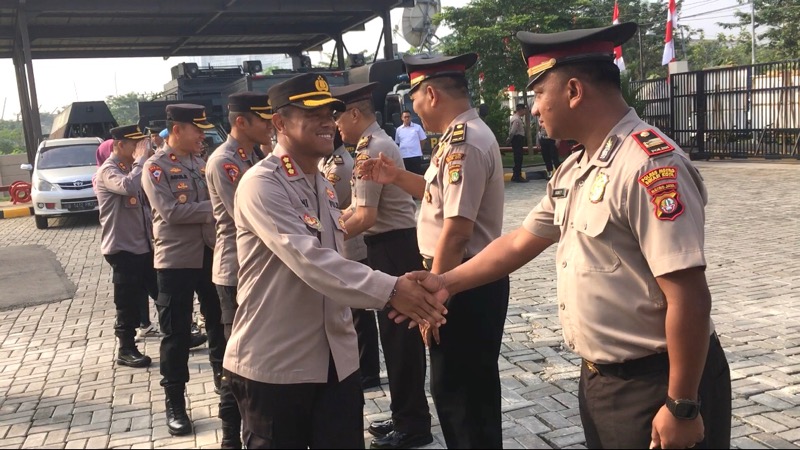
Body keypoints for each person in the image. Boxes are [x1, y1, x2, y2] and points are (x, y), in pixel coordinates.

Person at [404, 22, 732, 450]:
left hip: (658, 381)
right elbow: (521, 241)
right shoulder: (576, 168)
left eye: (539, 94)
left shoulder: (649, 166)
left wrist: (683, 404)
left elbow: (689, 296)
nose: (535, 108)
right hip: (601, 380)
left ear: (574, 91)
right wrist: (445, 282)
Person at [222, 72, 448, 449]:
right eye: (313, 114)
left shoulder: (323, 184)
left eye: (331, 113)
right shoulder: (262, 183)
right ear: (279, 122)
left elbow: (335, 253)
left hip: (336, 363)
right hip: (278, 363)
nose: (328, 121)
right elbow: (309, 260)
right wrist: (390, 288)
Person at [360, 52, 509, 449]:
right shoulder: (458, 138)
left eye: (413, 99)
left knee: (460, 391)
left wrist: (434, 296)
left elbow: (457, 231)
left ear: (430, 94)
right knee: (459, 388)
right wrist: (395, 177)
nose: (413, 108)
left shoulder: (465, 143)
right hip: (459, 278)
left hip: (461, 280)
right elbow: (436, 195)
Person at [332, 82, 432, 449]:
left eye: (339, 115)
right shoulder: (366, 147)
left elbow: (365, 216)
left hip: (393, 246)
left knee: (401, 340)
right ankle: (404, 414)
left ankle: (414, 425)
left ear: (355, 113)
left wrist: (320, 237)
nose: (336, 125)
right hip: (387, 246)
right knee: (394, 340)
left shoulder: (372, 150)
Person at [141, 104, 226, 436]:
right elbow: (173, 212)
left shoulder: (200, 163)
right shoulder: (155, 168)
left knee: (220, 322)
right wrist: (216, 207)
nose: (202, 135)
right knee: (175, 336)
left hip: (209, 254)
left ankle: (225, 384)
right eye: (197, 129)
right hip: (175, 261)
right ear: (177, 130)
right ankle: (175, 402)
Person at [205, 92, 273, 449]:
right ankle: (231, 436)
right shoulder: (225, 162)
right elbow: (249, 217)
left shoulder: (255, 156)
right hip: (235, 272)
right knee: (239, 358)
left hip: (255, 269)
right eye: (262, 119)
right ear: (241, 122)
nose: (269, 124)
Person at [319, 130, 381, 390]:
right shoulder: (327, 161)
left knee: (360, 314)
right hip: (341, 240)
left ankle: (369, 369)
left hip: (351, 243)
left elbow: (326, 199)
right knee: (352, 311)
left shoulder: (342, 165)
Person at [95, 124, 157, 368]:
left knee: (161, 292)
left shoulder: (131, 167)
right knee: (127, 301)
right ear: (120, 145)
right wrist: (141, 161)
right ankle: (126, 348)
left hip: (143, 245)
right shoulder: (108, 170)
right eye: (135, 144)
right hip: (122, 248)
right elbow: (128, 187)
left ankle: (181, 333)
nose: (139, 149)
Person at [393, 110, 427, 175]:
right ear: (402, 118)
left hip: (415, 156)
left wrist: (419, 149)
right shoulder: (399, 130)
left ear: (411, 117)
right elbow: (398, 142)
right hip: (404, 156)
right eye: (405, 117)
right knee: (406, 175)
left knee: (417, 175)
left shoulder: (417, 127)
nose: (407, 118)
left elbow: (423, 139)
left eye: (408, 117)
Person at [507, 103, 529, 182]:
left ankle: (515, 175)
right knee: (518, 158)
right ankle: (517, 176)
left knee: (518, 157)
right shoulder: (516, 119)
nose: (525, 112)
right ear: (521, 110)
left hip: (517, 139)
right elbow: (513, 131)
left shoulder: (516, 118)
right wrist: (509, 139)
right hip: (517, 139)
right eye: (524, 110)